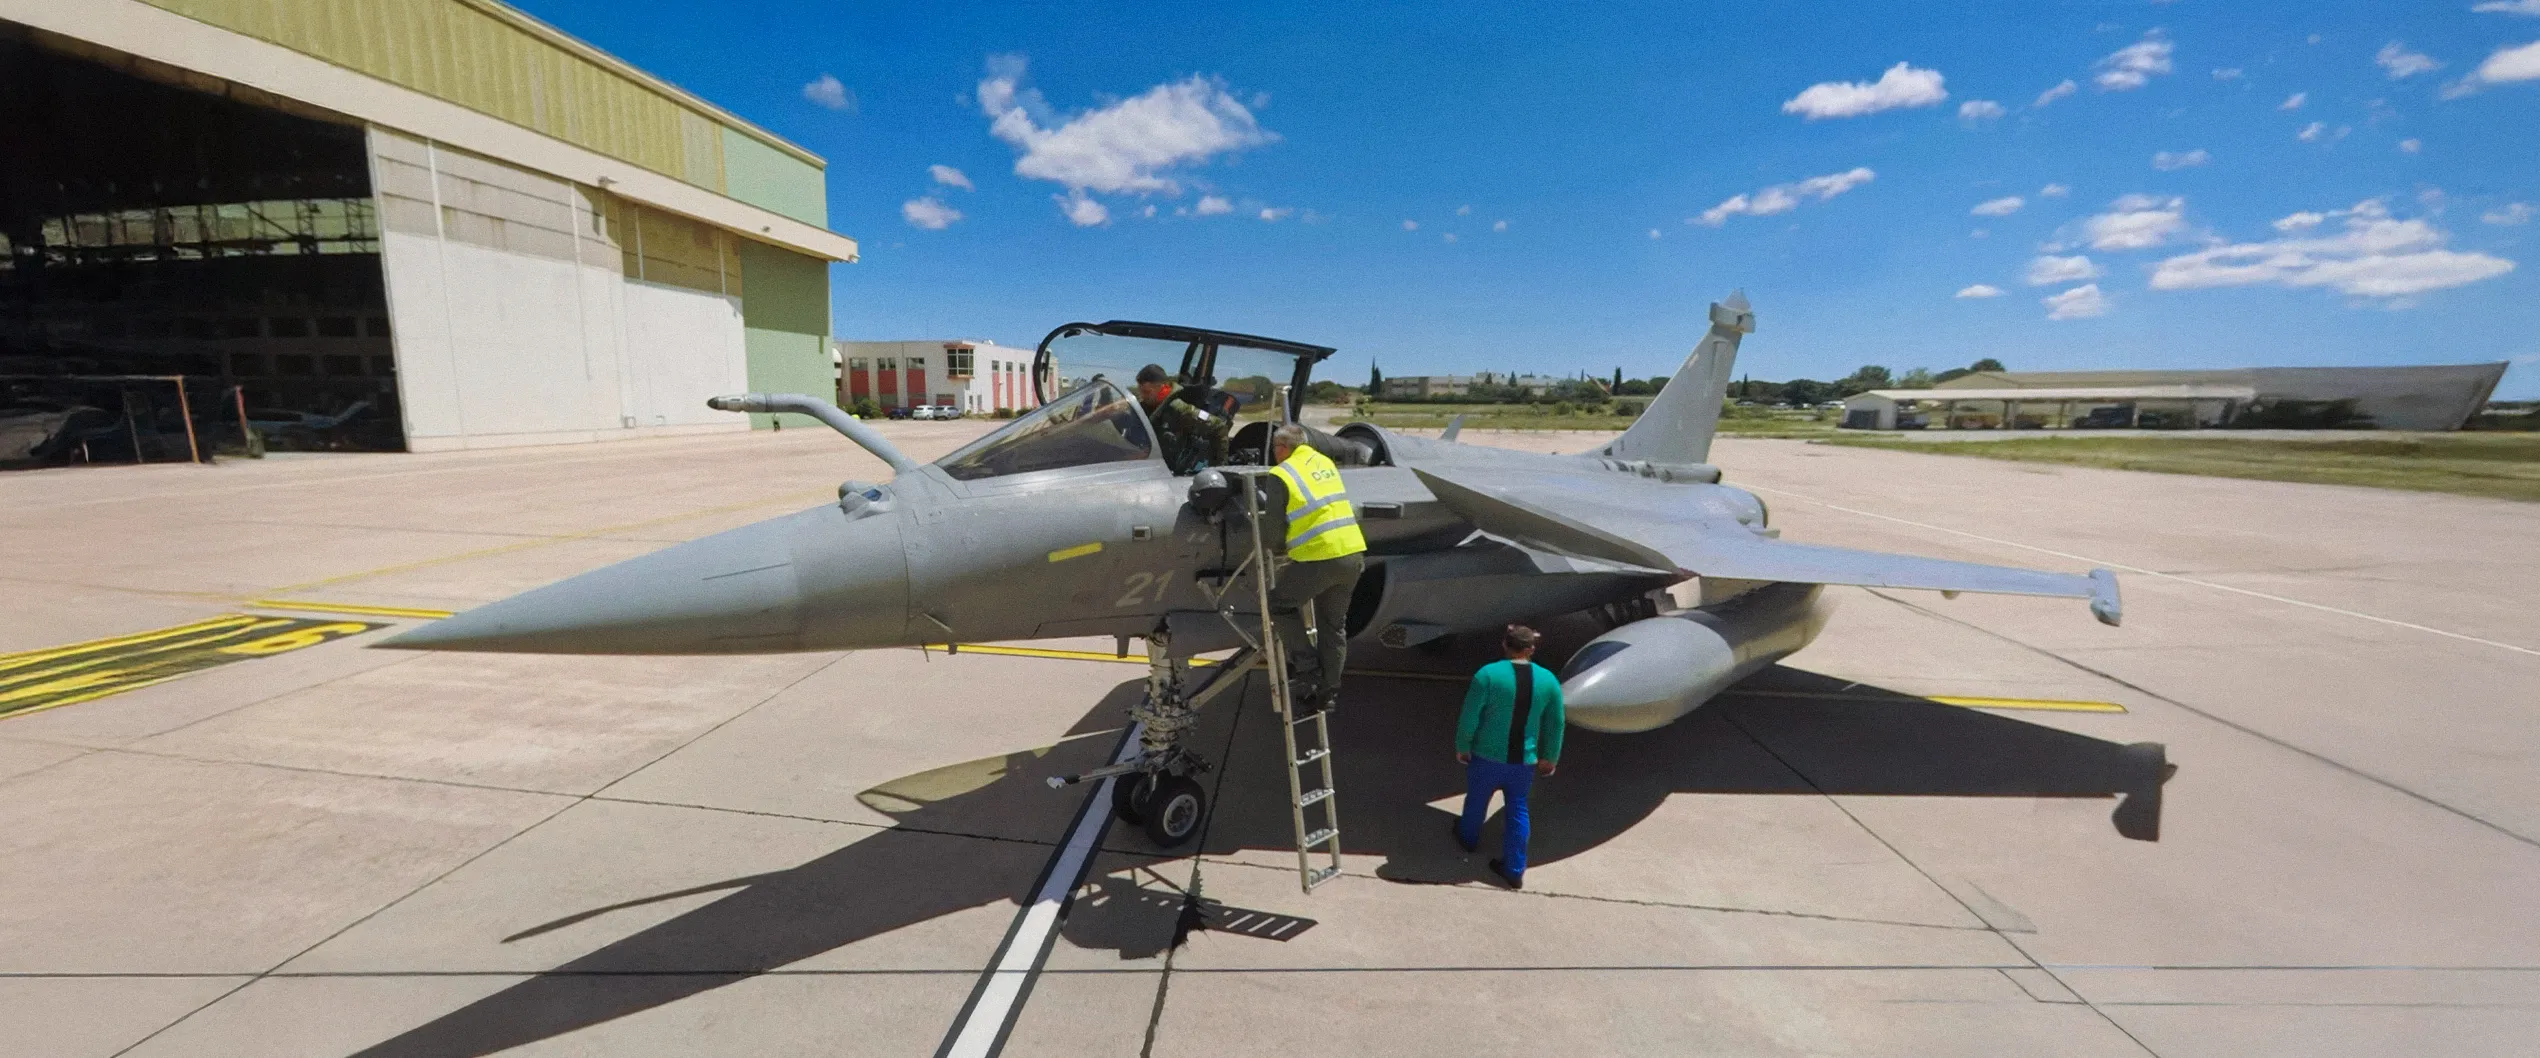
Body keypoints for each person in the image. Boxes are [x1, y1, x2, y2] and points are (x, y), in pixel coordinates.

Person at [1453, 623, 1565, 889]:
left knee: (1476, 800)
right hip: (1523, 763)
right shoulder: (1548, 680)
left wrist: (1463, 745)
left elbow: (1470, 716)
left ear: (1504, 644)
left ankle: (1467, 839)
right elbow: (1555, 723)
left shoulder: (1487, 675)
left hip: (1486, 756)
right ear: (1531, 649)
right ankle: (1514, 869)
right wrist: (1550, 757)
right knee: (1518, 809)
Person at [1267, 421, 1365, 714]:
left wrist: (1278, 549)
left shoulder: (1281, 473)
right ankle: (1328, 692)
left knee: (1280, 605)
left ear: (1282, 448)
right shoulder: (1324, 462)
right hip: (1352, 554)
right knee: (1333, 626)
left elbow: (1274, 530)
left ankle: (1308, 669)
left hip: (1320, 558)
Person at [1133, 364, 1228, 475]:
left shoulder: (1179, 409)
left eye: (1147, 392)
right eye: (1141, 392)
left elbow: (1219, 426)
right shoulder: (1145, 407)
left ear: (1162, 388)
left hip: (1171, 475)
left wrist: (1219, 470)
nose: (1143, 396)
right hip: (1150, 468)